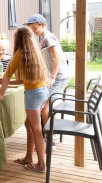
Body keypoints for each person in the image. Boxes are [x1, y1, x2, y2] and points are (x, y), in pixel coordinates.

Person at [0, 27, 49, 173]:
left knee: (36, 129)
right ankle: (29, 157)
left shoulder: (19, 54)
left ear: (18, 39)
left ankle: (42, 164)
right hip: (43, 92)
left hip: (33, 94)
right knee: (29, 124)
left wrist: (1, 94)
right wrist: (4, 83)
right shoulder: (34, 52)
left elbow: (7, 75)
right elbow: (21, 80)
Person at [24, 14, 70, 150]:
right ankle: (46, 138)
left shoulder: (48, 37)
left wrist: (52, 77)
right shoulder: (43, 39)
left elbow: (57, 57)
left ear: (43, 25)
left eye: (35, 28)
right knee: (44, 107)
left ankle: (50, 140)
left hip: (59, 77)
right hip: (54, 77)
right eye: (32, 28)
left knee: (46, 108)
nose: (33, 31)